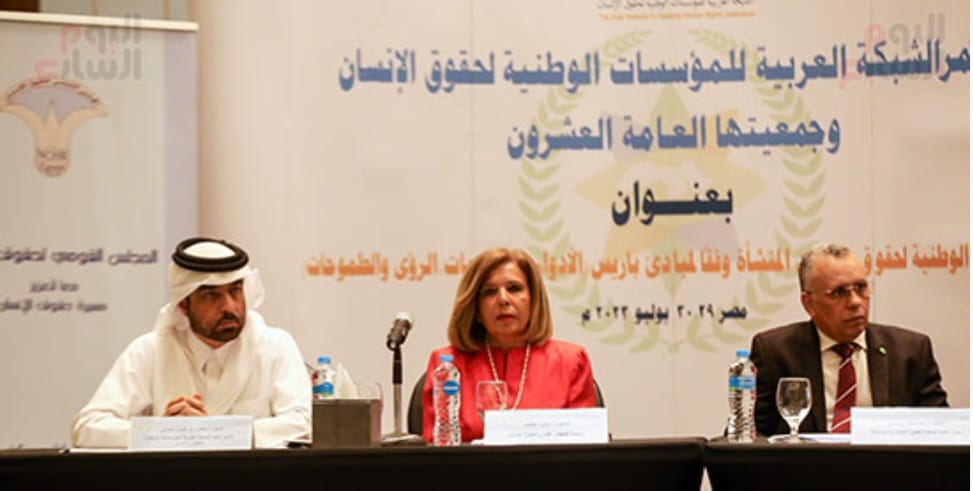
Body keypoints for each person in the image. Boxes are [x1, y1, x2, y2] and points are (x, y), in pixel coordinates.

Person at [71, 237, 311, 448]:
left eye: (235, 291)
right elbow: (87, 427)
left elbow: (304, 423)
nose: (229, 306)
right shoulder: (151, 351)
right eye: (211, 295)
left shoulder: (274, 346)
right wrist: (163, 433)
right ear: (184, 304)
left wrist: (210, 433)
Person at [749, 242, 948, 437]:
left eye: (861, 287)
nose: (855, 302)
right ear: (809, 304)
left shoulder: (911, 351)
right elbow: (752, 435)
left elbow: (942, 433)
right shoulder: (775, 352)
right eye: (838, 293)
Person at [422, 247, 597, 443]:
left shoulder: (571, 362)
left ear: (533, 300)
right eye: (489, 292)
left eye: (514, 288)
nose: (503, 299)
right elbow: (438, 448)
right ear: (476, 308)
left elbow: (584, 448)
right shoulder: (447, 365)